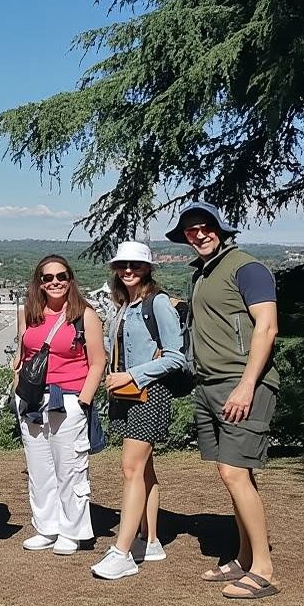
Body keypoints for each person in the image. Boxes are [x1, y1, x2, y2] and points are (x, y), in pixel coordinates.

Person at [167, 202, 280, 599]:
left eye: (206, 227)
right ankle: (244, 556)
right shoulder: (202, 275)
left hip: (242, 385)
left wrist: (247, 385)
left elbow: (267, 327)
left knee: (234, 473)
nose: (198, 234)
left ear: (221, 229)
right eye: (191, 230)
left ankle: (264, 570)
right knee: (235, 475)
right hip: (210, 385)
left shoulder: (246, 268)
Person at [90, 241, 185, 580]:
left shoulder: (156, 302)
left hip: (148, 393)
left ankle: (123, 552)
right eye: (122, 265)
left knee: (131, 469)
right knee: (143, 470)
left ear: (147, 268)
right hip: (129, 395)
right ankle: (152, 540)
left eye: (136, 265)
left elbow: (177, 356)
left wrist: (132, 374)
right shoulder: (126, 305)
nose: (128, 271)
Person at [12, 255, 106, 555]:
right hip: (32, 400)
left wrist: (83, 400)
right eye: (48, 277)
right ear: (39, 282)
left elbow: (98, 361)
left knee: (71, 468)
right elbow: (22, 355)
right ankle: (46, 526)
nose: (55, 282)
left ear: (70, 279)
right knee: (39, 468)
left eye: (61, 276)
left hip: (67, 398)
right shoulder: (27, 312)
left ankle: (72, 530)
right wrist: (18, 392)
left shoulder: (85, 315)